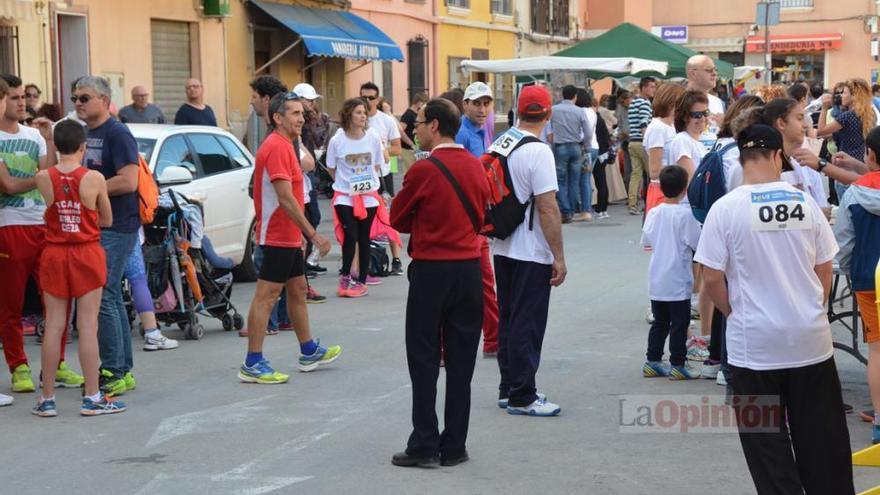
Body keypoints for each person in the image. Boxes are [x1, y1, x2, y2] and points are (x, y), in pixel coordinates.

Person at [696, 124, 854, 495]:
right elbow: (824, 269)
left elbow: (711, 277)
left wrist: (733, 311)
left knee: (766, 447)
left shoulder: (725, 208)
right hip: (810, 341)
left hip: (755, 346)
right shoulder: (805, 204)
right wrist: (809, 306)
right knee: (823, 442)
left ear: (740, 158)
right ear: (777, 156)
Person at [389, 97, 490, 468]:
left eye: (417, 123)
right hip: (468, 269)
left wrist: (426, 221)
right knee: (462, 362)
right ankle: (455, 446)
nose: (414, 130)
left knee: (424, 358)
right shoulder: (478, 166)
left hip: (432, 271)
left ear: (434, 125)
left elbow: (397, 217)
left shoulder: (423, 170)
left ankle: (424, 444)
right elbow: (483, 215)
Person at [239, 91, 338, 384]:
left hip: (289, 236)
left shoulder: (289, 145)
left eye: (302, 112)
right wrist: (313, 234)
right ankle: (252, 362)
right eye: (294, 113)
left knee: (297, 291)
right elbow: (285, 199)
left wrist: (302, 235)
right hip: (277, 236)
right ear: (277, 118)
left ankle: (308, 350)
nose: (301, 118)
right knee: (266, 297)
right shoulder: (277, 147)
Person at [32, 119, 126, 417]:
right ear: (83, 147)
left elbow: (48, 170)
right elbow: (107, 219)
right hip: (86, 252)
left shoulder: (43, 177)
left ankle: (47, 399)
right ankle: (92, 396)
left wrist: (47, 143)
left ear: (57, 146)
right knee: (88, 326)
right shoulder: (95, 178)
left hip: (54, 254)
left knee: (54, 327)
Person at [0, 74, 82, 394]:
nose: (23, 102)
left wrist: (48, 141)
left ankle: (57, 364)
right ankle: (18, 366)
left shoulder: (34, 136)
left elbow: (48, 177)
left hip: (42, 225)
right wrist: (43, 177)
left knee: (57, 300)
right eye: (15, 97)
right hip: (9, 225)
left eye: (24, 97)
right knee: (11, 303)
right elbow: (7, 186)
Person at [494, 85, 566, 416]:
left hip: (503, 244)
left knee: (509, 318)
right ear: (548, 114)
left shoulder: (502, 143)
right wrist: (559, 256)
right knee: (528, 322)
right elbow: (548, 207)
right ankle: (524, 394)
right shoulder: (539, 151)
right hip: (530, 250)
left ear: (517, 111)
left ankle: (509, 387)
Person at [74, 75, 141, 397]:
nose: (78, 103)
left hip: (119, 225)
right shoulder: (86, 133)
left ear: (103, 99)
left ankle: (114, 370)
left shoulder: (117, 132)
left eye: (84, 98)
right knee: (108, 295)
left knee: (103, 296)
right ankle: (121, 370)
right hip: (98, 226)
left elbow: (129, 181)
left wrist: (87, 188)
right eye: (75, 98)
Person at [835, 125, 880, 443]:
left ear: (871, 155)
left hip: (868, 278)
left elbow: (844, 243)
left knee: (877, 349)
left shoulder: (854, 193)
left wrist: (848, 273)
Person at [640, 165, 702, 380]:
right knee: (679, 323)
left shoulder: (654, 212)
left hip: (657, 278)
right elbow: (696, 242)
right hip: (678, 278)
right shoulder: (686, 215)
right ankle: (678, 363)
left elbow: (646, 240)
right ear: (685, 188)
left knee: (660, 322)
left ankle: (653, 360)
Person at [326, 98, 385, 297]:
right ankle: (345, 276)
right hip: (344, 196)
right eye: (358, 112)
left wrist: (363, 183)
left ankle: (360, 280)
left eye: (364, 113)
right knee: (350, 235)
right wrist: (346, 184)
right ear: (349, 114)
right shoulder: (337, 140)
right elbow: (331, 168)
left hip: (367, 196)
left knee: (363, 236)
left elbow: (376, 165)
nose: (362, 116)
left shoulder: (372, 138)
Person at [668, 89, 711, 358]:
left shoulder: (701, 139)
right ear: (684, 116)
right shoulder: (682, 141)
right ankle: (689, 339)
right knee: (685, 279)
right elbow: (693, 178)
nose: (702, 119)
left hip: (698, 213)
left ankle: (700, 336)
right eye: (696, 114)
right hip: (688, 213)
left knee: (703, 276)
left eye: (705, 113)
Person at [818, 78, 876, 198]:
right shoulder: (870, 114)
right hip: (863, 166)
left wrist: (824, 108)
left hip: (846, 166)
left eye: (844, 93)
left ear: (854, 96)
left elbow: (821, 131)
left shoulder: (847, 116)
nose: (841, 96)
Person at [549, 85, 592, 223]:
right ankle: (572, 211)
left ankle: (565, 211)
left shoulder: (554, 110)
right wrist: (585, 144)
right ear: (575, 96)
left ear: (562, 95)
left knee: (560, 180)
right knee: (574, 180)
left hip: (560, 146)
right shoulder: (579, 111)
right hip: (575, 147)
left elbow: (547, 127)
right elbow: (588, 132)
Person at [642, 83, 686, 216]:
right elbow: (654, 170)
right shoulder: (658, 128)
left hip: (672, 188)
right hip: (663, 190)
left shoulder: (670, 126)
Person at [359, 82, 401, 197]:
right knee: (361, 212)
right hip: (360, 175)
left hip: (382, 174)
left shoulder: (387, 120)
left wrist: (379, 151)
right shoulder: (354, 119)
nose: (367, 100)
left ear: (377, 100)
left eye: (371, 98)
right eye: (363, 97)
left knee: (384, 211)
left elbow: (397, 149)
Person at [626, 77, 656, 215]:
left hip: (632, 142)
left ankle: (632, 204)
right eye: (651, 87)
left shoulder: (632, 103)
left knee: (636, 174)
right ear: (643, 87)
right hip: (642, 142)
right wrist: (648, 141)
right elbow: (644, 124)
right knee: (653, 175)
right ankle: (651, 203)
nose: (653, 89)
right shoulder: (645, 103)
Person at [576, 88, 597, 221]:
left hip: (585, 147)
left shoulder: (581, 112)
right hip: (595, 147)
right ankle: (587, 208)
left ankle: (585, 210)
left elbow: (583, 132)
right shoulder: (592, 111)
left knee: (583, 180)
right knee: (587, 179)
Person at [456, 81, 493, 157]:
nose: (482, 110)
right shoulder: (460, 133)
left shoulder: (479, 129)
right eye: (476, 104)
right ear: (465, 104)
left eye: (486, 104)